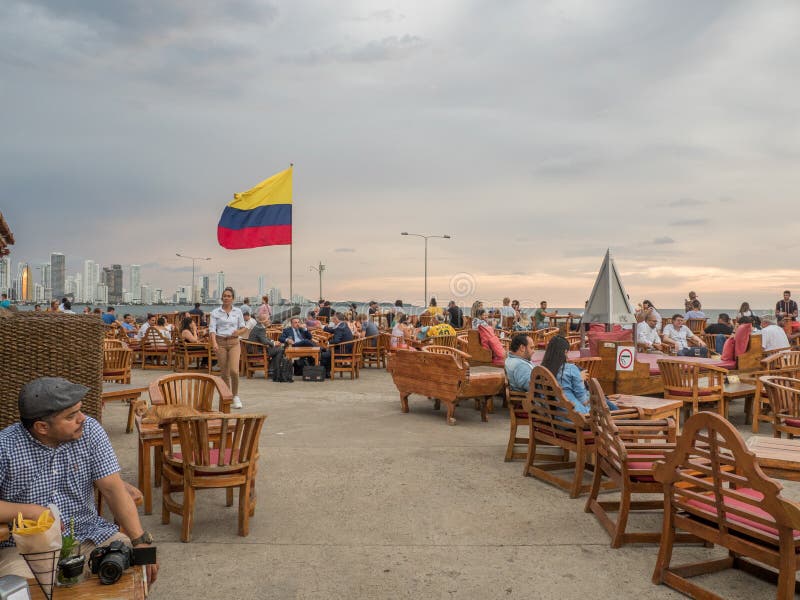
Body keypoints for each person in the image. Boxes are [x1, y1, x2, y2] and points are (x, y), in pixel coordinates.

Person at [0, 377, 158, 582]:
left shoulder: (90, 430)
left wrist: (140, 541)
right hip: (24, 548)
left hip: (90, 535)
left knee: (135, 572)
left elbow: (112, 489)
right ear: (42, 427)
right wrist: (31, 511)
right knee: (18, 590)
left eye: (80, 410)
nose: (82, 418)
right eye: (71, 416)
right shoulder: (5, 447)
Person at [540, 336, 617, 414]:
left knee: (603, 401)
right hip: (577, 419)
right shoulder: (570, 369)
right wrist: (580, 380)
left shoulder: (542, 371)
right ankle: (626, 420)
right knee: (604, 402)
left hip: (557, 417)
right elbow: (584, 401)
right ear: (565, 352)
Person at [209, 287, 247, 409]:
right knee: (224, 373)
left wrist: (238, 332)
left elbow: (243, 328)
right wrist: (214, 343)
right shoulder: (215, 312)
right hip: (220, 342)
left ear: (233, 298)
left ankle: (235, 395)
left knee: (234, 371)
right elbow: (212, 330)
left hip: (234, 342)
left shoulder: (238, 312)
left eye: (229, 296)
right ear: (222, 298)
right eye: (224, 295)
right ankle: (228, 396)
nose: (226, 298)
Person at [321, 312, 354, 377]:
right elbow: (333, 330)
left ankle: (325, 373)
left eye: (333, 319)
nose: (332, 321)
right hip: (348, 349)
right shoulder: (343, 324)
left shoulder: (339, 328)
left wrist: (328, 343)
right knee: (327, 352)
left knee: (324, 355)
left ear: (336, 319)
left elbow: (336, 340)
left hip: (343, 351)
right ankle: (327, 373)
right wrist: (323, 327)